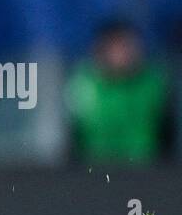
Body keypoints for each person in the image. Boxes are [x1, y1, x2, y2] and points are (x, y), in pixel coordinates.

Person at [66, 20, 172, 164]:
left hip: (145, 166)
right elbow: (73, 136)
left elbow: (167, 131)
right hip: (94, 167)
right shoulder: (82, 85)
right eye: (115, 47)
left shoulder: (154, 84)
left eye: (127, 46)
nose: (122, 53)